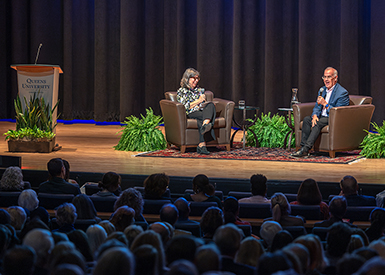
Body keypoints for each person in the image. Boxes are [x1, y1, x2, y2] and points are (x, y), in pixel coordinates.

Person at [291, 67, 350, 157]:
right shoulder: (322, 90)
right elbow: (317, 106)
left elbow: (338, 113)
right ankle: (302, 148)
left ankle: (306, 149)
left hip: (332, 118)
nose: (326, 80)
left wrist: (325, 104)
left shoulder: (342, 93)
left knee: (318, 123)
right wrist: (314, 115)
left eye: (329, 77)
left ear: (335, 78)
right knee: (307, 120)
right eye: (324, 77)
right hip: (321, 116)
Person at [177, 68, 216, 154]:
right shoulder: (182, 91)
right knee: (206, 115)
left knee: (211, 105)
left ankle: (204, 128)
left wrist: (205, 103)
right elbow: (184, 107)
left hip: (200, 111)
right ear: (187, 79)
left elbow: (202, 104)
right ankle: (205, 129)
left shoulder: (198, 91)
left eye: (197, 78)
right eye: (194, 78)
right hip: (190, 112)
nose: (196, 80)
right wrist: (198, 101)